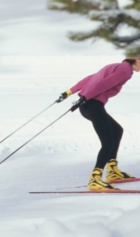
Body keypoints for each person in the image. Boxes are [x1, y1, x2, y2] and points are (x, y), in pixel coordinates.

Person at [58, 56, 140, 190]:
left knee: (117, 130)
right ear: (137, 60)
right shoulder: (126, 70)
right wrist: (85, 97)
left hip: (88, 105)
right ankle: (95, 179)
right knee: (108, 143)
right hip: (92, 105)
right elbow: (105, 83)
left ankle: (112, 170)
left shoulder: (114, 66)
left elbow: (90, 78)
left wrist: (69, 92)